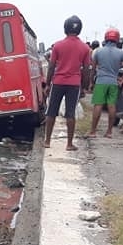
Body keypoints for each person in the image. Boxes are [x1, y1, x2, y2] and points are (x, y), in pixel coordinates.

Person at [43, 15, 92, 150]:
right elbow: (86, 70)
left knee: (51, 112)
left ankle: (47, 141)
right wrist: (84, 87)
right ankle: (69, 144)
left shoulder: (58, 46)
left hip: (58, 82)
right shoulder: (85, 48)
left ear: (65, 28)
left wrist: (47, 84)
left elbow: (52, 66)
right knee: (70, 114)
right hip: (74, 84)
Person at [90, 28, 123, 138]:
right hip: (113, 82)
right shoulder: (121, 53)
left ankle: (93, 131)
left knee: (98, 105)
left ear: (106, 38)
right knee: (112, 106)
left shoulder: (98, 51)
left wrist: (91, 82)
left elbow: (93, 69)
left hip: (101, 81)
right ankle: (109, 132)